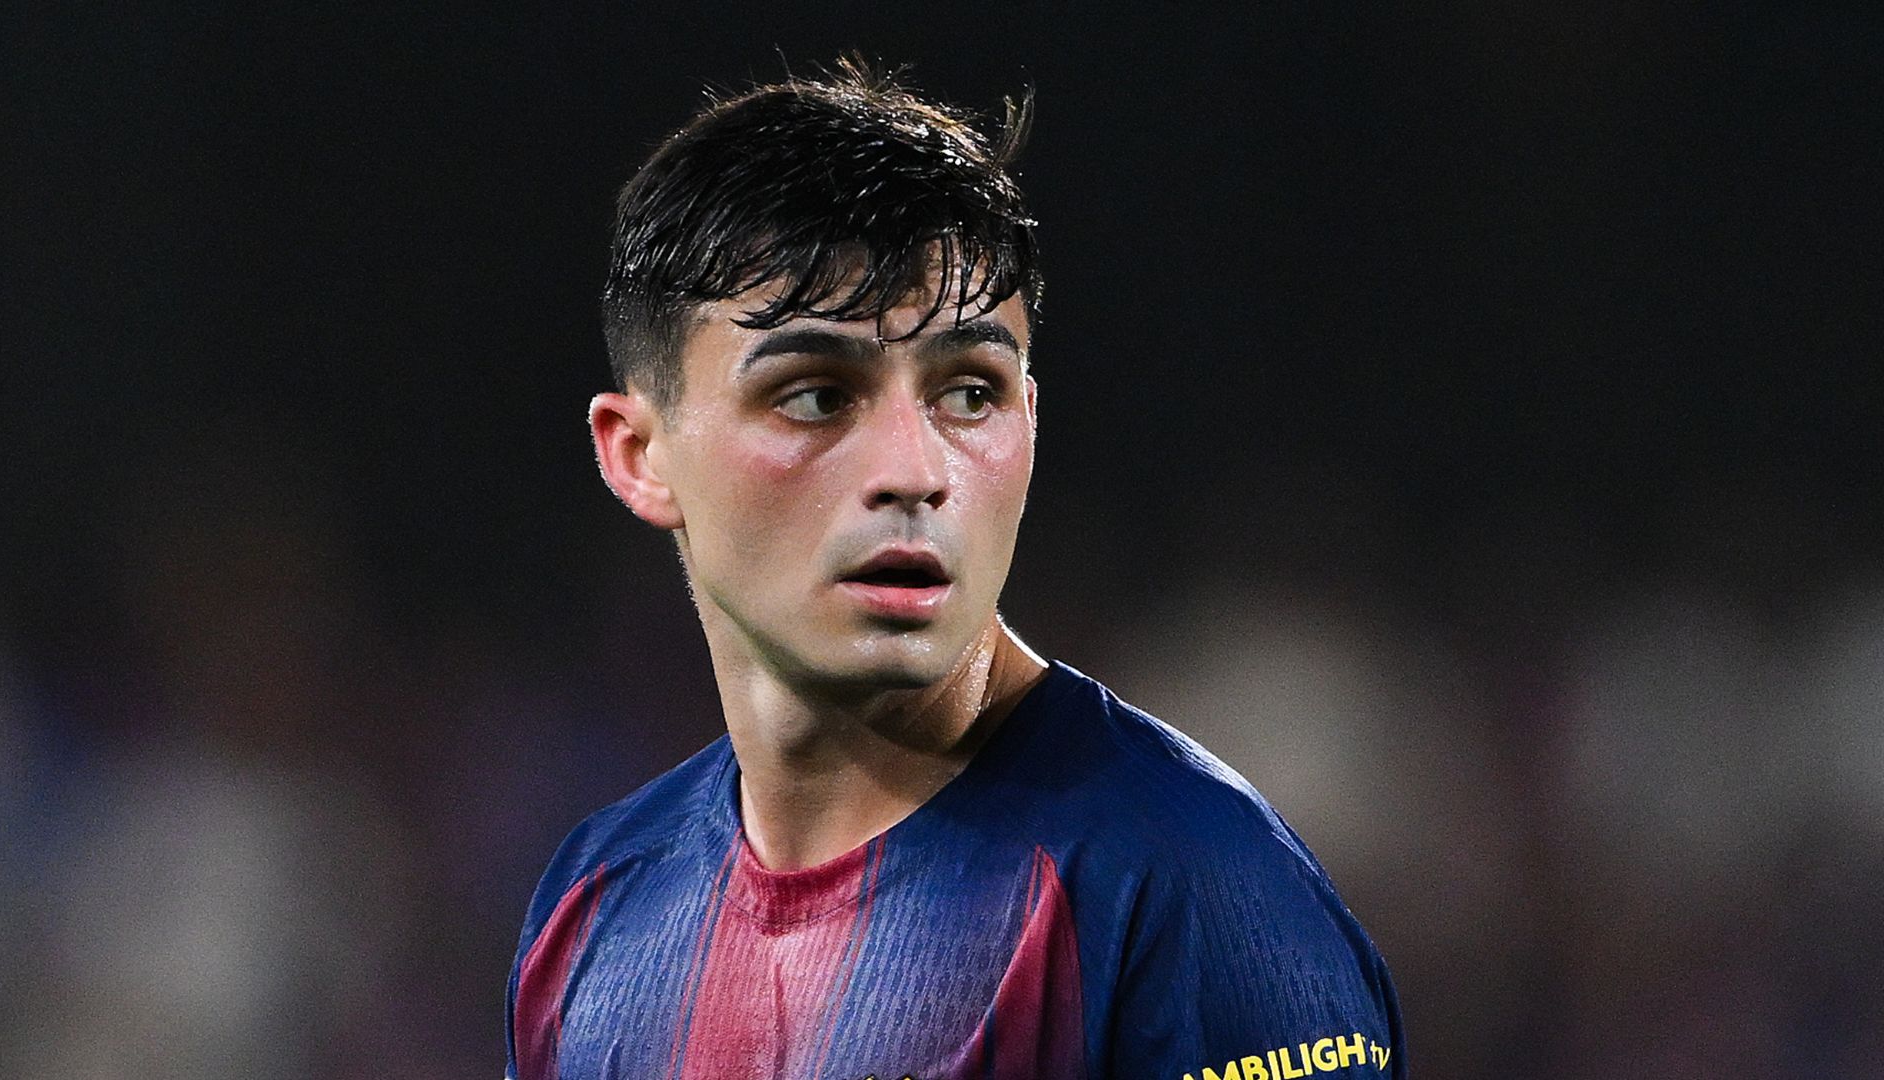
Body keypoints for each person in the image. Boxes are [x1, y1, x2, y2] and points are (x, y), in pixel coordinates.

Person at [505, 60, 1406, 1080]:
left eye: (969, 391)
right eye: (814, 394)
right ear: (640, 454)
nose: (914, 471)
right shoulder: (595, 903)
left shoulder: (1186, 887)